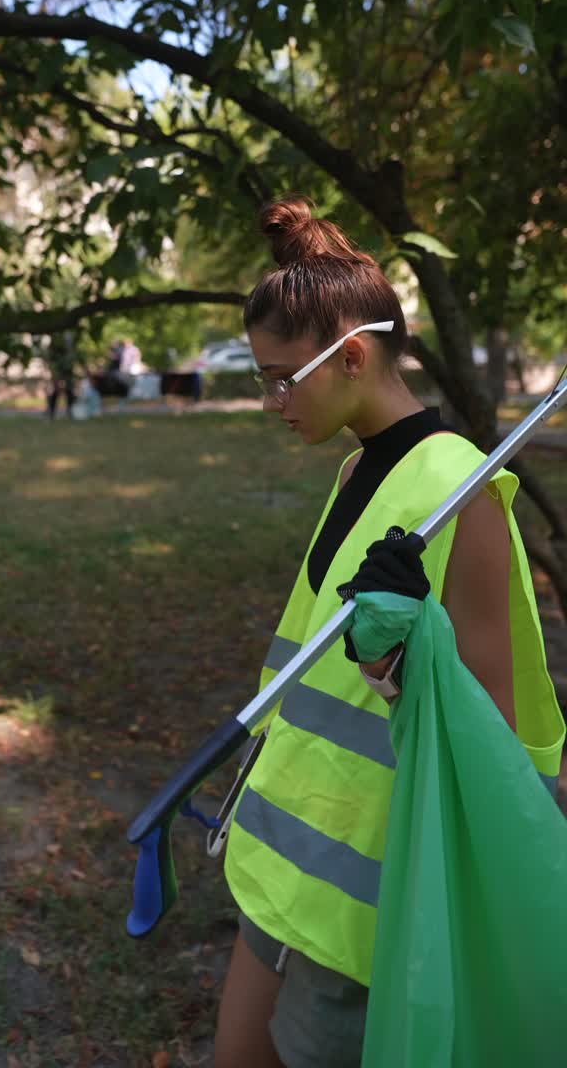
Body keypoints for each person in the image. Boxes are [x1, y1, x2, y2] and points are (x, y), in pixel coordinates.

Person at [215, 195, 564, 1068]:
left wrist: (403, 667)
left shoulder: (464, 494)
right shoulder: (353, 471)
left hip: (368, 896)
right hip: (282, 853)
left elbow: (494, 734)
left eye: (279, 376)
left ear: (354, 355)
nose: (269, 401)